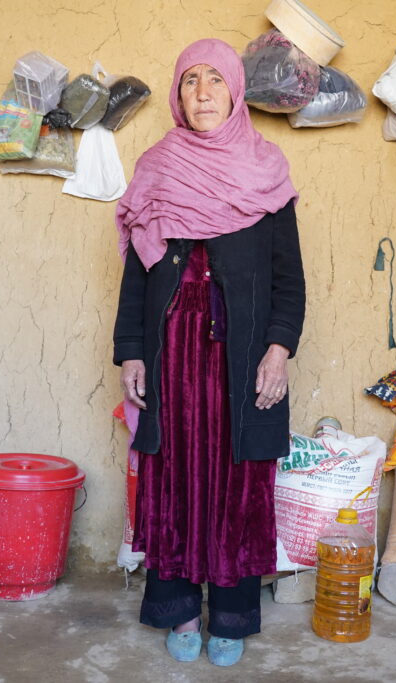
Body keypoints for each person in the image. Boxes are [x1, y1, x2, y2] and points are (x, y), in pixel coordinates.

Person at [113, 38, 305, 667]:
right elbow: (137, 276)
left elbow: (288, 279)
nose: (201, 93)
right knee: (173, 481)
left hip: (242, 360)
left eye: (214, 81)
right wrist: (133, 352)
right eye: (189, 80)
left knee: (237, 486)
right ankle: (176, 610)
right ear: (177, 93)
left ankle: (229, 615)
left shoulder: (266, 169)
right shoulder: (157, 167)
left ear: (234, 92)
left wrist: (277, 352)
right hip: (173, 358)